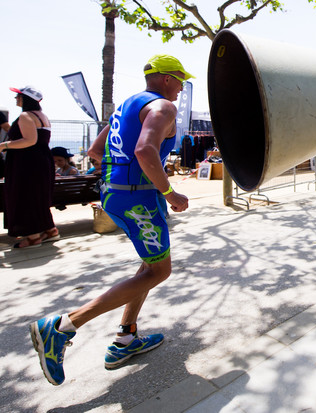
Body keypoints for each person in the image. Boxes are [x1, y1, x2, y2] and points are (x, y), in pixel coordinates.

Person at [29, 54, 192, 385]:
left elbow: (94, 151)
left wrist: (119, 180)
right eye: (179, 80)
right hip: (140, 199)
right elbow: (145, 151)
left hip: (117, 195)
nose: (180, 88)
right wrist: (168, 192)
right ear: (166, 79)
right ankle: (62, 326)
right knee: (160, 270)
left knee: (149, 265)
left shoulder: (128, 106)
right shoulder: (163, 108)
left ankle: (126, 338)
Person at [1, 86, 60, 249]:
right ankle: (49, 230)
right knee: (38, 196)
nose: (16, 99)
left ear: (26, 99)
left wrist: (3, 145)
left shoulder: (26, 116)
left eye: (18, 96)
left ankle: (33, 237)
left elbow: (29, 140)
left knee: (25, 197)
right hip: (42, 161)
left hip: (26, 163)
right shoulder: (43, 116)